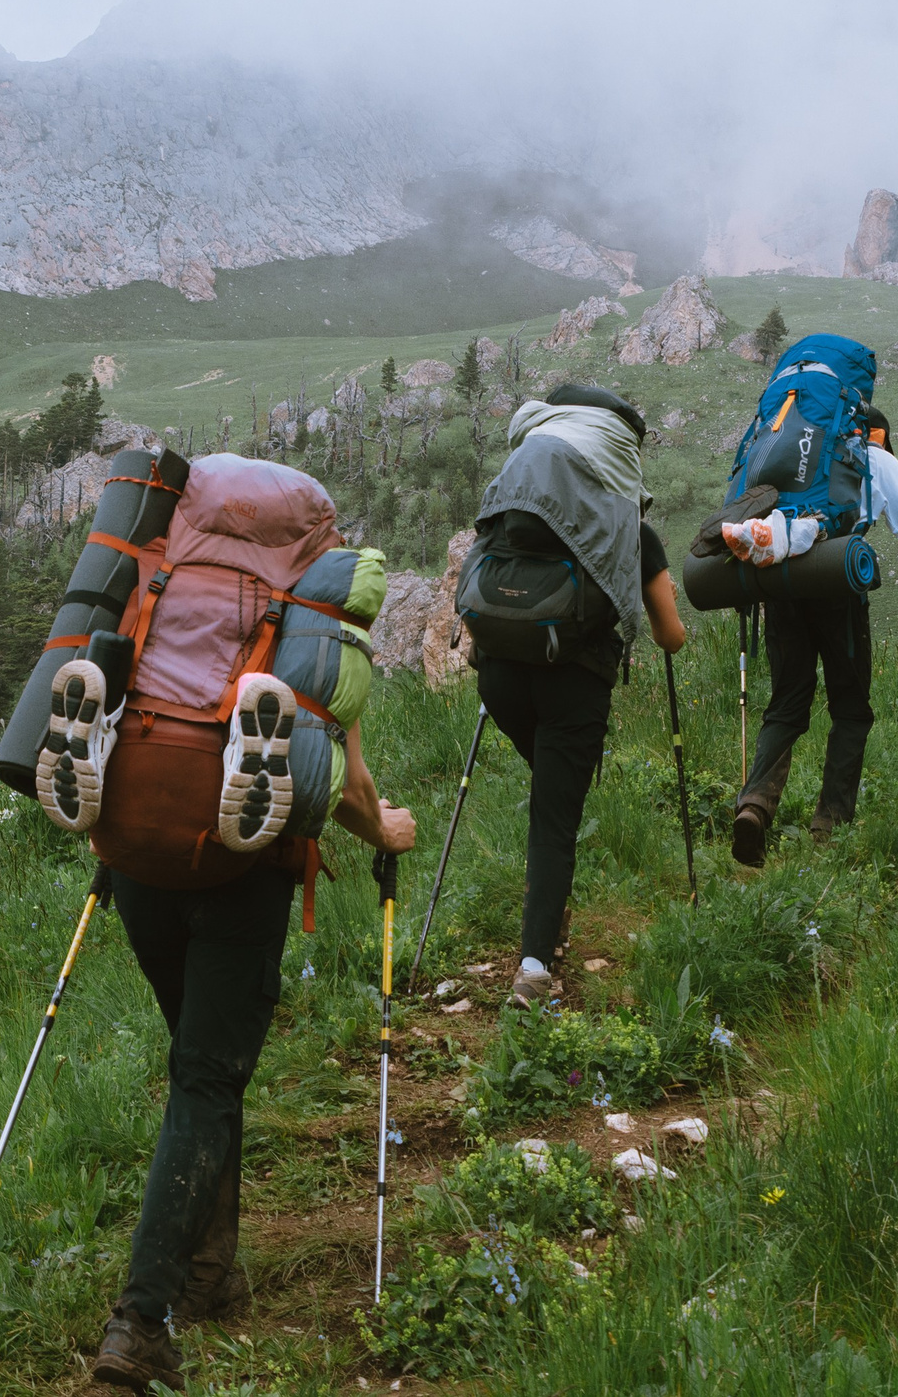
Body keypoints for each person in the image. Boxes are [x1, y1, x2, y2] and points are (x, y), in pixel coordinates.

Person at [86, 457, 417, 1393]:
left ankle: (210, 1270)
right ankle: (140, 1321)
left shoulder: (160, 567)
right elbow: (345, 781)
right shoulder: (314, 602)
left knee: (198, 1056)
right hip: (242, 856)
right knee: (207, 1075)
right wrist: (385, 826)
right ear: (313, 533)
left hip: (136, 833)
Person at [460, 383, 688, 1010]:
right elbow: (670, 638)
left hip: (501, 676)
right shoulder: (628, 529)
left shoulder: (510, 516)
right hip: (574, 682)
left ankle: (549, 921)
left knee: (550, 792)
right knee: (555, 818)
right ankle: (534, 968)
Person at [729, 403, 898, 867]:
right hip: (837, 587)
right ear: (875, 434)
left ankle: (755, 805)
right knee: (851, 709)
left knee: (786, 705)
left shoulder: (794, 457)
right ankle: (829, 826)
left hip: (781, 586)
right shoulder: (870, 459)